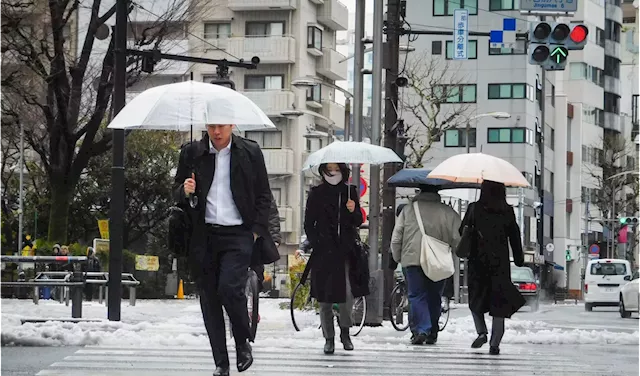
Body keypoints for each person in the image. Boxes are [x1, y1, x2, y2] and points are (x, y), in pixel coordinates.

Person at [173, 124, 277, 376]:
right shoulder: (191, 153)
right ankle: (221, 363)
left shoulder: (249, 152)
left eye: (221, 126)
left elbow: (264, 195)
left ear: (231, 125)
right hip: (203, 234)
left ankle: (242, 342)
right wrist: (184, 191)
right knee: (209, 301)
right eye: (211, 126)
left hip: (239, 233)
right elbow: (175, 193)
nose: (216, 132)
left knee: (229, 289)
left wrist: (255, 231)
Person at [304, 163, 369, 355]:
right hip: (324, 253)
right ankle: (328, 338)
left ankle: (345, 332)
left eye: (336, 169)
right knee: (324, 299)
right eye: (328, 170)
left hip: (346, 252)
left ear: (343, 171)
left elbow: (358, 221)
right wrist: (318, 241)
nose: (332, 173)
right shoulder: (316, 193)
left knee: (346, 296)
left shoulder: (349, 192)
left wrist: (352, 210)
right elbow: (308, 223)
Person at [459, 180, 525, 355]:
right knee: (499, 302)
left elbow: (461, 231)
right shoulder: (507, 211)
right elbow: (515, 237)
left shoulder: (474, 208)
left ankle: (481, 331)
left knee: (475, 299)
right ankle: (495, 343)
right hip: (500, 264)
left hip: (477, 262)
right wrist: (519, 259)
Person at [391, 185, 461, 345]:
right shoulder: (449, 212)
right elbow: (458, 239)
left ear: (419, 192)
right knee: (434, 296)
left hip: (412, 259)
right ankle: (432, 331)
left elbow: (396, 238)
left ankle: (422, 329)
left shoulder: (408, 211)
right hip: (438, 260)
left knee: (416, 295)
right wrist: (455, 252)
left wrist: (397, 256)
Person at [251, 194, 281, 292]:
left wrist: (275, 238)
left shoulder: (261, 188)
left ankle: (256, 286)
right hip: (236, 233)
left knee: (257, 270)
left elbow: (272, 215)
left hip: (258, 236)